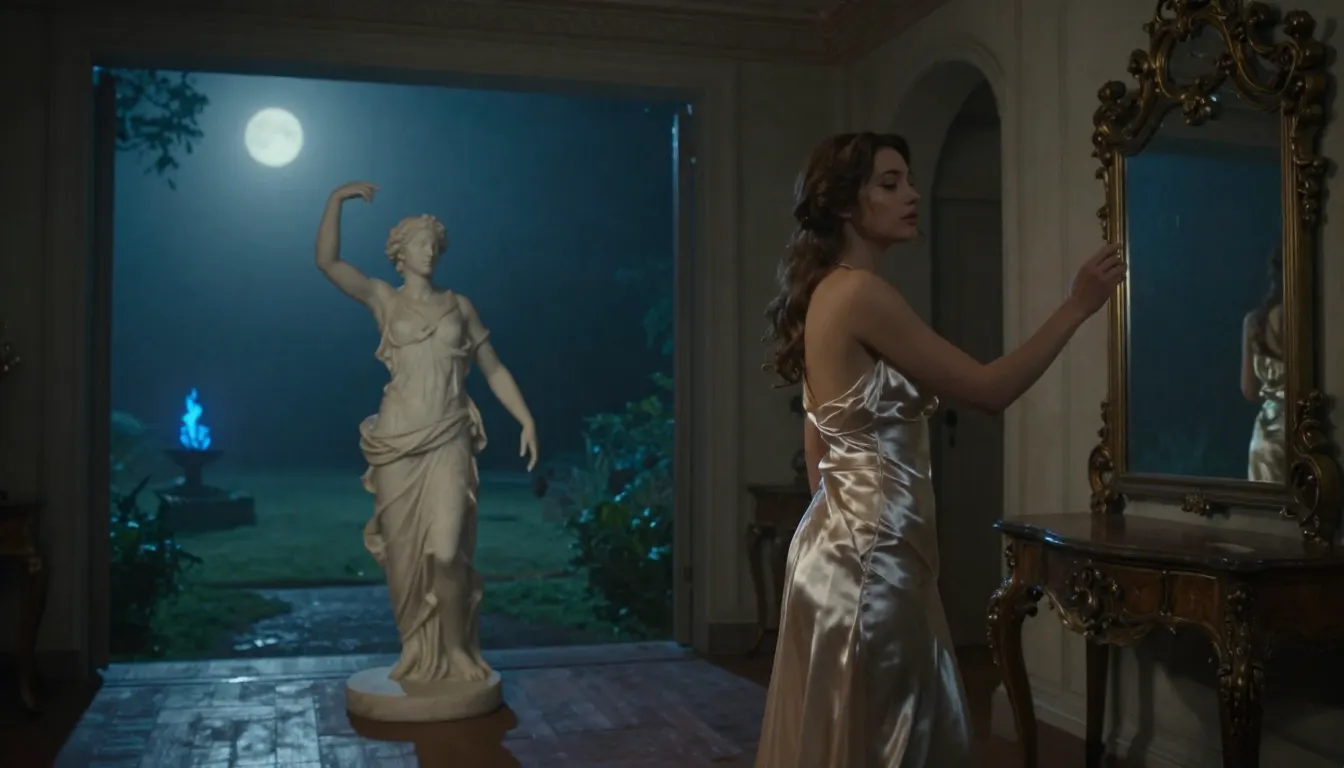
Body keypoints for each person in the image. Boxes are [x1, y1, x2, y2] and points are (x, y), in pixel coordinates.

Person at [757, 132, 1124, 766]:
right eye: (890, 183)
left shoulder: (825, 294)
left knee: (856, 730)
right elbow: (988, 390)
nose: (913, 195)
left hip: (837, 548)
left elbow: (817, 440)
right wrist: (1077, 306)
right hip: (874, 556)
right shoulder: (862, 294)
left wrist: (846, 531)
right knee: (891, 736)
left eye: (909, 179)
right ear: (844, 205)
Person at [315, 181, 539, 686]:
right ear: (400, 252)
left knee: (445, 551)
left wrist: (525, 417)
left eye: (435, 244)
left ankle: (456, 649)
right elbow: (328, 262)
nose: (430, 251)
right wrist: (335, 200)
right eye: (420, 243)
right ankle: (415, 648)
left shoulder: (459, 306)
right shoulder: (383, 299)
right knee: (403, 557)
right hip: (397, 441)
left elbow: (493, 367)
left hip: (449, 435)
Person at [1241, 247, 1285, 483]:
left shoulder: (1253, 322)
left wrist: (1273, 399)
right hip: (1299, 435)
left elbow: (1248, 390)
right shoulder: (1302, 318)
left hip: (1263, 439)